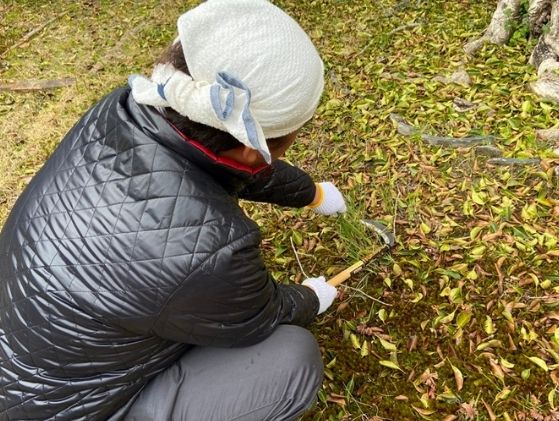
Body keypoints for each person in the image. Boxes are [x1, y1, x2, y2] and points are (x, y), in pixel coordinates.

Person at [0, 1, 346, 420]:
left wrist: (311, 194)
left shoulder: (125, 108)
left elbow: (225, 162)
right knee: (291, 360)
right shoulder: (213, 249)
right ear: (253, 146)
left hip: (29, 349)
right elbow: (260, 314)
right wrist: (311, 297)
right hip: (63, 410)